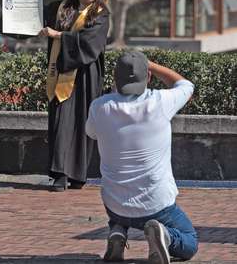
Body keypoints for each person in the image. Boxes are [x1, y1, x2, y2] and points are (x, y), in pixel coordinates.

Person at [0, 0, 110, 191]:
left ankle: (78, 175)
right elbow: (28, 17)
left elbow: (90, 44)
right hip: (60, 73)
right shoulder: (60, 9)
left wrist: (59, 34)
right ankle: (59, 175)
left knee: (81, 123)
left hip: (86, 75)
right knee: (61, 122)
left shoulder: (100, 13)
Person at [85, 50, 198, 264]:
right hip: (156, 206)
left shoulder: (99, 107)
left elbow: (90, 132)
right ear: (147, 77)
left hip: (115, 206)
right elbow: (186, 85)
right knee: (190, 241)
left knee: (119, 192)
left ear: (115, 78)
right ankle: (164, 235)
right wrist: (151, 64)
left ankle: (117, 232)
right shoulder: (160, 102)